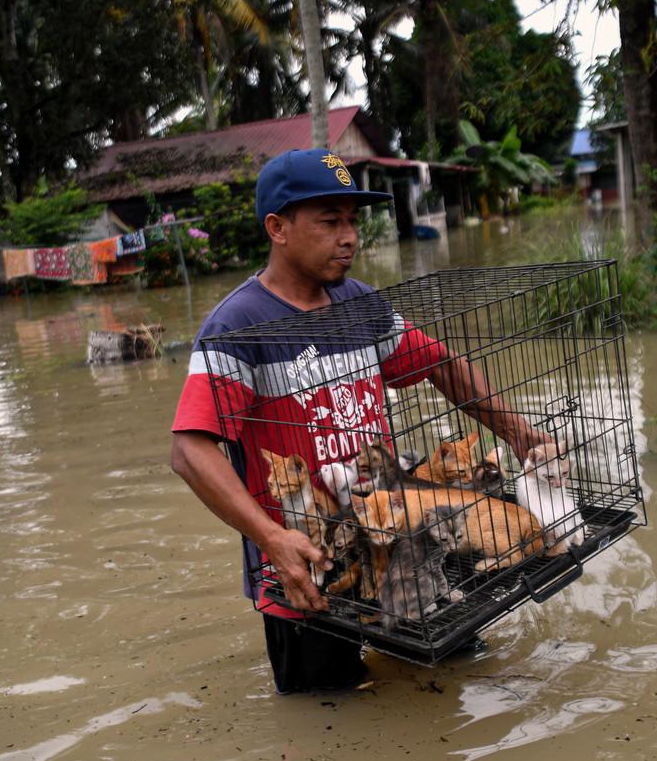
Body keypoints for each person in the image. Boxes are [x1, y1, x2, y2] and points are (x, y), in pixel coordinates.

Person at [170, 148, 549, 693]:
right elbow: (190, 451)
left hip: (393, 542)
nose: (349, 236)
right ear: (277, 227)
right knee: (326, 717)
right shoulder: (238, 324)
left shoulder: (363, 303)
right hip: (305, 563)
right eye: (330, 222)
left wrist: (514, 430)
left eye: (352, 221)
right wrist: (272, 537)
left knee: (457, 676)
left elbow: (439, 362)